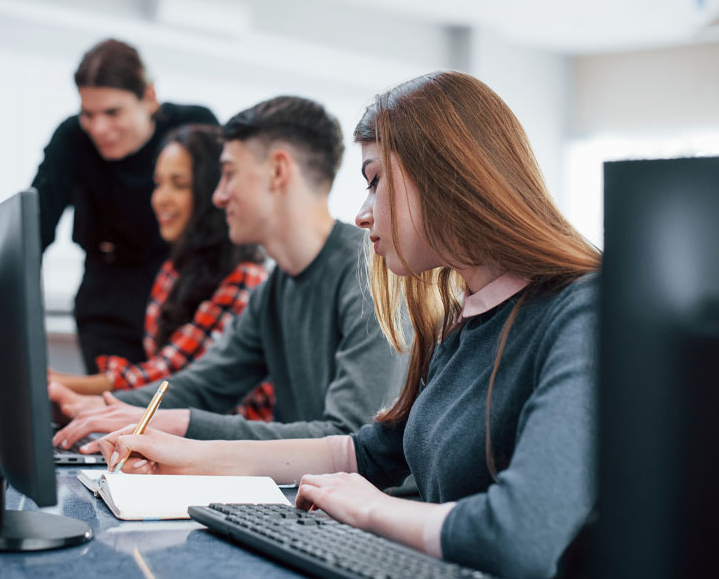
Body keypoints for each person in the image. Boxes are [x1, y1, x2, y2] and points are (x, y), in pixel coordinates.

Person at [94, 72, 600, 579]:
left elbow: (520, 535)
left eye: (375, 181)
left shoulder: (582, 312)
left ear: (447, 175)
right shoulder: (467, 318)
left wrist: (370, 510)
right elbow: (362, 453)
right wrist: (189, 456)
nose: (362, 213)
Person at [50, 95, 407, 450]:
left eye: (229, 174)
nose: (218, 196)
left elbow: (351, 438)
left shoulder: (371, 272)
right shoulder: (274, 290)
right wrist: (98, 407)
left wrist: (182, 424)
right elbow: (203, 385)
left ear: (278, 171)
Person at [48, 124, 273, 419]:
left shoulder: (245, 278)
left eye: (179, 184)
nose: (161, 198)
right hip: (178, 430)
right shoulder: (173, 270)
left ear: (211, 192)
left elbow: (171, 376)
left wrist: (58, 384)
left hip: (230, 447)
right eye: (159, 183)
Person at [33, 38, 218, 373]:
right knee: (114, 406)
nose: (99, 128)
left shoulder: (192, 128)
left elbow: (222, 217)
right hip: (107, 294)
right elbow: (32, 232)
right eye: (88, 114)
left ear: (148, 97)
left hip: (182, 289)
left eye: (112, 112)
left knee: (173, 403)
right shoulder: (72, 139)